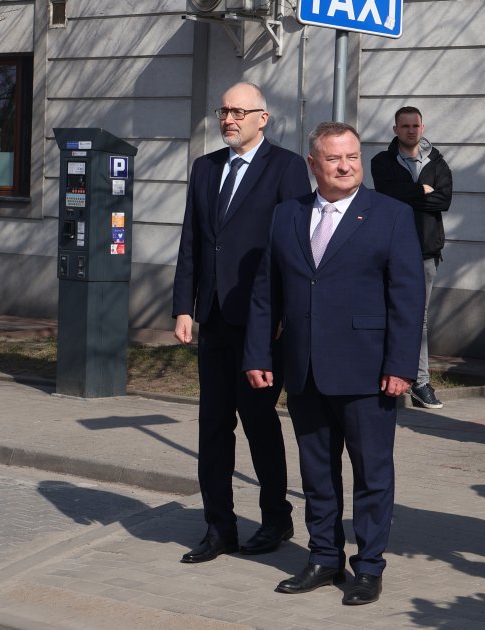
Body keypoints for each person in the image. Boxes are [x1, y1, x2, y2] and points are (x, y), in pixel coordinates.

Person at [243, 121, 425, 605]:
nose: (345, 166)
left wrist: (402, 366)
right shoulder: (286, 215)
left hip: (369, 370)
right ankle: (324, 557)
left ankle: (368, 567)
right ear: (313, 164)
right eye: (333, 158)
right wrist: (259, 353)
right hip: (304, 368)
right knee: (317, 473)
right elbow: (266, 293)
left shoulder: (389, 214)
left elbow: (408, 297)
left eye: (352, 157)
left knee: (371, 474)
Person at [171, 82, 310, 565]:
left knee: (257, 422)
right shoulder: (205, 168)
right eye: (223, 110)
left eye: (237, 111)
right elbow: (193, 239)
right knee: (213, 427)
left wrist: (282, 317)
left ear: (262, 118)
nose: (228, 119)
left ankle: (275, 517)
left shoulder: (287, 167)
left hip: (261, 325)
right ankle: (218, 527)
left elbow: (295, 249)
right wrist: (184, 307)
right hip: (212, 318)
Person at [370, 106, 453, 410]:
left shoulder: (437, 162)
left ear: (422, 126)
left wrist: (411, 193)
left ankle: (419, 382)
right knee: (382, 312)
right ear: (395, 129)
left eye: (415, 125)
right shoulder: (382, 161)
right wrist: (421, 192)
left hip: (426, 252)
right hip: (388, 250)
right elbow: (387, 194)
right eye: (404, 126)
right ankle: (383, 373)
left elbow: (444, 200)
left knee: (420, 318)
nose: (410, 130)